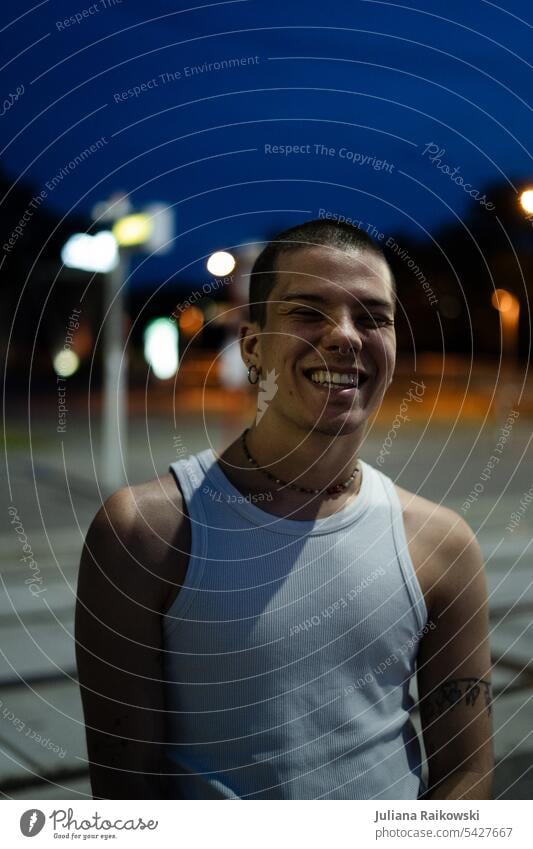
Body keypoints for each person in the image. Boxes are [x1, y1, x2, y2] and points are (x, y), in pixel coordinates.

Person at [75, 219, 493, 800]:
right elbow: (126, 794)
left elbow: (467, 775)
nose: (345, 336)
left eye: (372, 317)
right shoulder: (144, 533)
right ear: (252, 346)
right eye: (307, 312)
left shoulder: (442, 546)